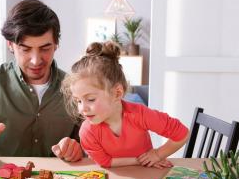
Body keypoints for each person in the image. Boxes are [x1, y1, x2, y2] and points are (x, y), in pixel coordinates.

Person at [0, 0, 82, 162]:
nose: (36, 60)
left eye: (45, 48)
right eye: (25, 49)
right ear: (10, 45)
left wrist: (78, 150)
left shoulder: (76, 89)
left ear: (56, 44)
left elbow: (89, 144)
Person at [61, 41, 189, 168]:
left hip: (146, 175)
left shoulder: (140, 114)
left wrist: (158, 154)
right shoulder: (87, 131)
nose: (82, 109)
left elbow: (182, 133)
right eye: (78, 101)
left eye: (91, 99)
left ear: (117, 93)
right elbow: (105, 162)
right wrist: (140, 161)